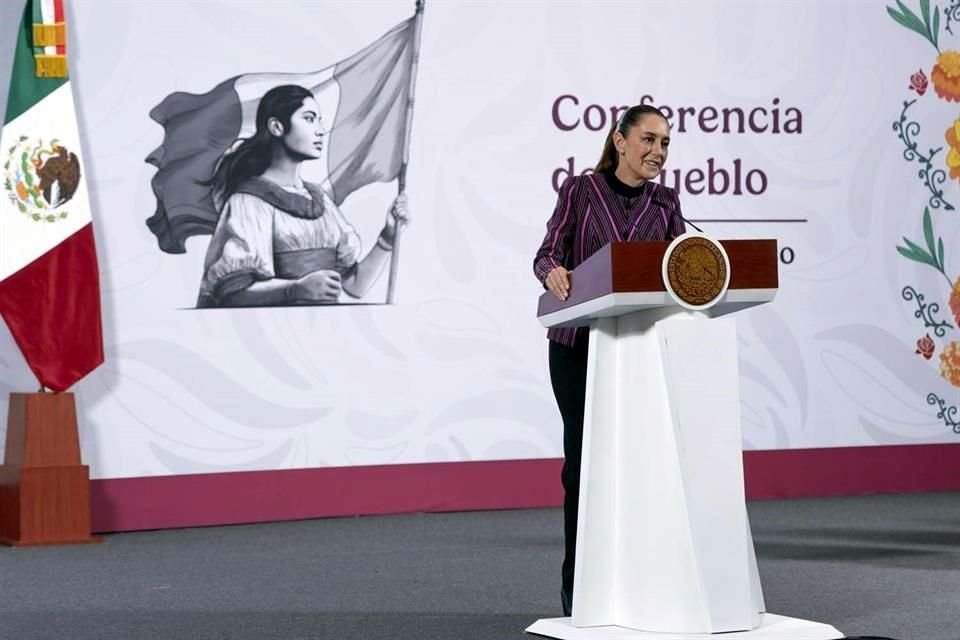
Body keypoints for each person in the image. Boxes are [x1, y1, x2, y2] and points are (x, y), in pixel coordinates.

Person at [533, 104, 687, 617]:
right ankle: (579, 592)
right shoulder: (581, 190)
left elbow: (683, 266)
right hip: (578, 352)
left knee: (640, 470)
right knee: (584, 470)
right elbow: (546, 252)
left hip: (638, 354)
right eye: (648, 139)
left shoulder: (665, 202)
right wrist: (554, 271)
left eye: (665, 143)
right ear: (620, 141)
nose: (658, 152)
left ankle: (637, 588)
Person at [197, 84, 409, 307]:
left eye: (319, 120)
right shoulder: (248, 202)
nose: (319, 130)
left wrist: (388, 237)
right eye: (309, 119)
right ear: (277, 127)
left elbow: (355, 286)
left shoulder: (321, 201)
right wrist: (294, 290)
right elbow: (231, 295)